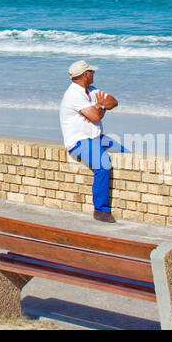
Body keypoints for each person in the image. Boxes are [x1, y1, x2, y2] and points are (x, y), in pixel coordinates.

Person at [60, 60, 126, 223]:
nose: (94, 74)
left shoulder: (92, 90)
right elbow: (96, 116)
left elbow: (114, 101)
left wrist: (99, 106)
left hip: (97, 137)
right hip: (79, 141)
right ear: (85, 75)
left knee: (127, 154)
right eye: (91, 72)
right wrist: (101, 107)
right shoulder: (74, 94)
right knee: (103, 164)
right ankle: (101, 210)